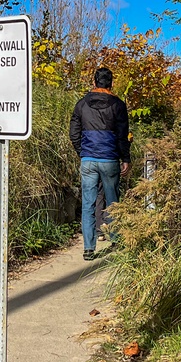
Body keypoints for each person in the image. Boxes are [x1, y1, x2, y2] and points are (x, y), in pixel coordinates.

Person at [69, 67, 131, 260]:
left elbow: (74, 133)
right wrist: (125, 158)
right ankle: (115, 241)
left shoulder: (81, 105)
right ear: (111, 83)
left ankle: (88, 249)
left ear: (94, 82)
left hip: (88, 160)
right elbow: (122, 135)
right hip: (110, 159)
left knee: (88, 203)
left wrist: (83, 152)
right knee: (113, 202)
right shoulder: (118, 105)